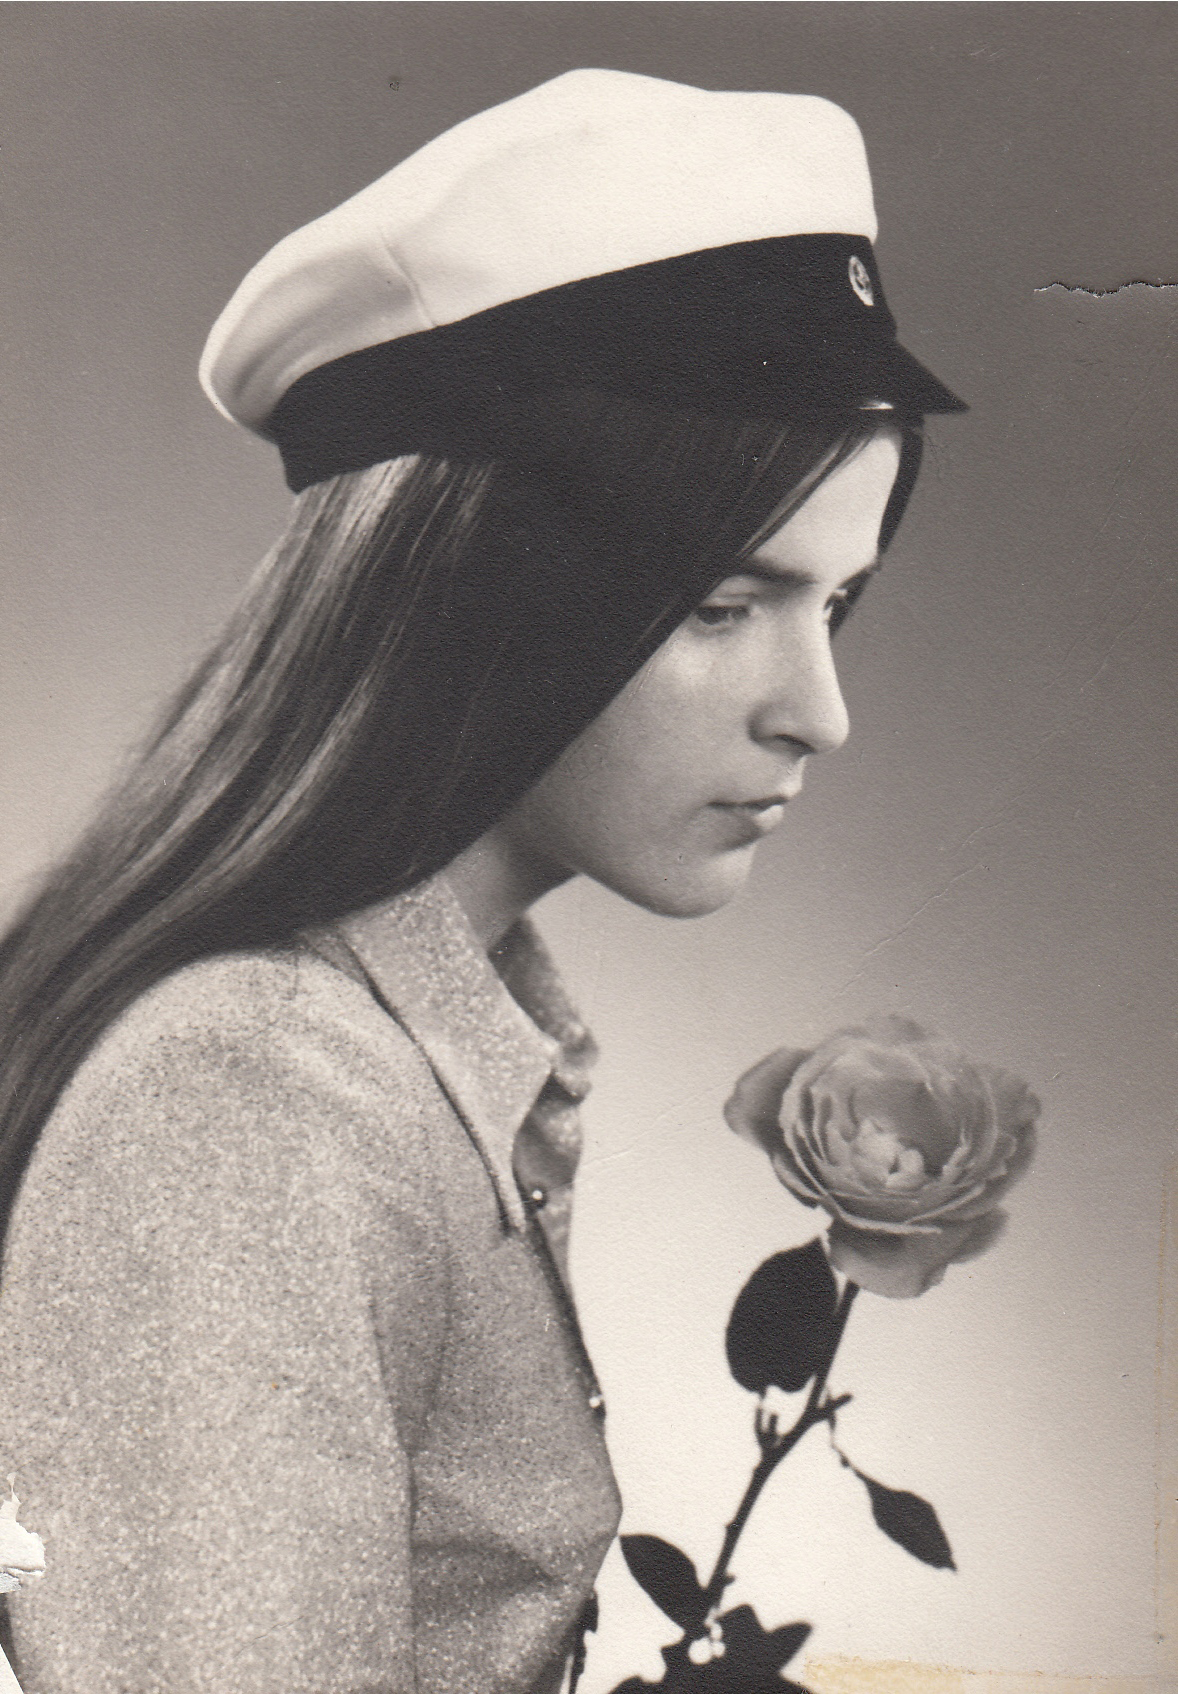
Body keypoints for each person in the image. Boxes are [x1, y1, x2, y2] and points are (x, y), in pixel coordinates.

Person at [0, 69, 963, 1694]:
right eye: (727, 603)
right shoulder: (256, 1099)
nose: (821, 708)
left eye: (836, 602)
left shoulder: (421, 1036)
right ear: (479, 588)